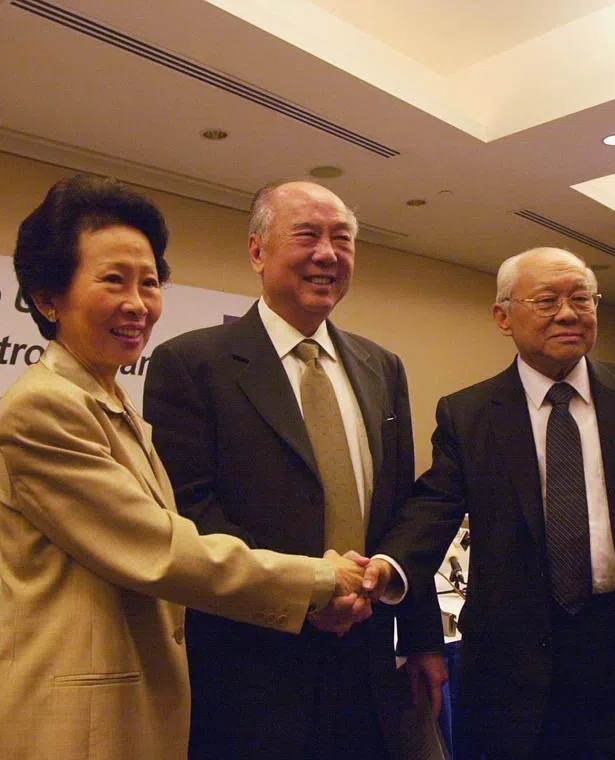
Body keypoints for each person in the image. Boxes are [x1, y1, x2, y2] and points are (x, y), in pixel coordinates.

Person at [0, 174, 371, 760]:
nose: (138, 304)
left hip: (135, 702)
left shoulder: (104, 398)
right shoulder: (44, 405)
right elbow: (160, 549)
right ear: (47, 296)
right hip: (76, 723)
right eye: (113, 281)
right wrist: (319, 579)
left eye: (150, 283)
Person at [371, 247, 615, 759]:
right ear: (502, 317)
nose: (567, 312)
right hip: (518, 662)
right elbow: (434, 507)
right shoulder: (468, 414)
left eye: (582, 298)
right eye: (546, 300)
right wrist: (387, 567)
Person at [143, 181, 448, 759]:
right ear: (257, 252)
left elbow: (400, 509)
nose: (327, 253)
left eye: (343, 239)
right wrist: (306, 595)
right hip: (249, 669)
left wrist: (423, 639)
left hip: (369, 662)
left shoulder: (382, 367)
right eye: (307, 235)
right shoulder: (190, 364)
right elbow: (190, 512)